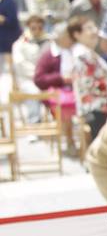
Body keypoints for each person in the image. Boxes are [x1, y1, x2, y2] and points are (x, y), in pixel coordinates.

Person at [33, 16, 78, 153]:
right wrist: (61, 79)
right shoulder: (48, 54)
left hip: (77, 89)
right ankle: (70, 141)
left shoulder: (77, 50)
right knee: (64, 108)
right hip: (57, 94)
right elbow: (39, 79)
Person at [70, 15, 107, 141]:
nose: (94, 31)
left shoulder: (89, 54)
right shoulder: (82, 55)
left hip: (99, 107)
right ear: (77, 34)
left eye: (94, 27)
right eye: (89, 28)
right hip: (96, 108)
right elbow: (90, 84)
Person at [0, 0, 17, 81]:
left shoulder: (9, 0)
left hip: (8, 39)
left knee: (11, 70)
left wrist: (2, 19)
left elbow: (12, 20)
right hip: (1, 39)